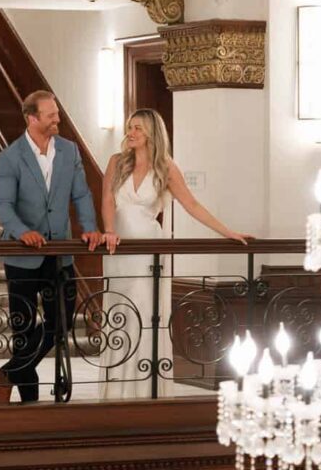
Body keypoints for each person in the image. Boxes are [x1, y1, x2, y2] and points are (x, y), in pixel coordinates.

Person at [98, 108, 249, 400]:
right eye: (130, 127)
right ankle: (116, 389)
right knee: (119, 314)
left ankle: (144, 390)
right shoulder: (116, 163)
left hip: (150, 254)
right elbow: (106, 199)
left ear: (152, 133)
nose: (130, 133)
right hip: (118, 250)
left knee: (145, 315)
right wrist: (108, 230)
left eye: (138, 128)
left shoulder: (166, 168)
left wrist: (227, 232)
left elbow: (192, 205)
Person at [0, 89, 112, 403]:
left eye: (57, 113)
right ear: (32, 118)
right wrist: (21, 232)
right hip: (22, 257)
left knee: (62, 322)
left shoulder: (69, 151)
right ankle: (29, 400)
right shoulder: (10, 157)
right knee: (24, 329)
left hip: (61, 254)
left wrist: (90, 228)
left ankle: (7, 374)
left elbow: (81, 195)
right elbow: (2, 205)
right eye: (51, 115)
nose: (58, 119)